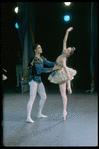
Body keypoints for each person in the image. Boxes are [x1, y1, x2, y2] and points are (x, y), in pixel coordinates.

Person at [26, 44, 60, 123]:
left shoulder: (41, 58)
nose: (40, 48)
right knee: (32, 98)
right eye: (38, 48)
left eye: (41, 47)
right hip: (33, 79)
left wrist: (58, 63)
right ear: (35, 50)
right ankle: (28, 117)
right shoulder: (35, 60)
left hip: (38, 79)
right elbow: (42, 69)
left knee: (44, 96)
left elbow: (48, 63)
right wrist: (54, 68)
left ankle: (39, 113)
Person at [48, 27, 77, 120]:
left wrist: (68, 75)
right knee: (63, 92)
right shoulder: (63, 52)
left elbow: (64, 67)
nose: (65, 50)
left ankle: (64, 110)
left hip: (61, 72)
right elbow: (64, 40)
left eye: (67, 50)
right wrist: (67, 32)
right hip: (61, 71)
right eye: (66, 49)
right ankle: (69, 85)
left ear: (68, 54)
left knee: (63, 94)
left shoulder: (64, 58)